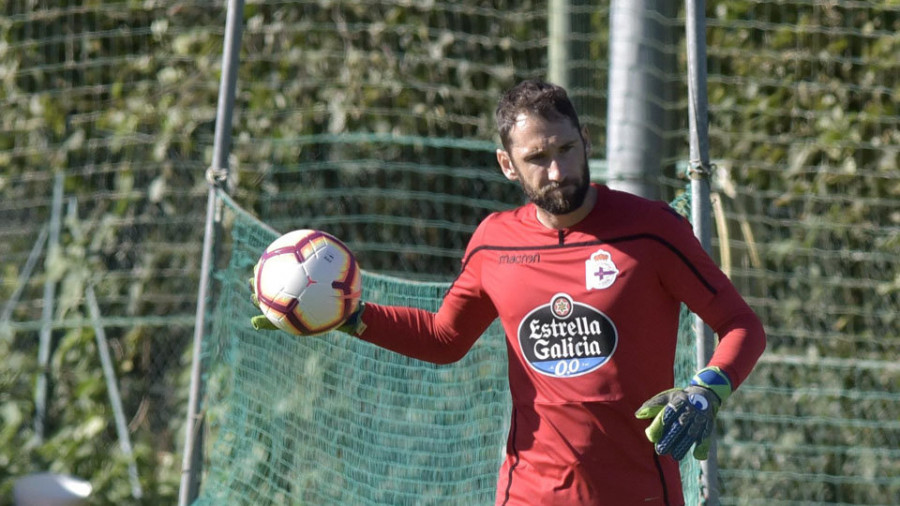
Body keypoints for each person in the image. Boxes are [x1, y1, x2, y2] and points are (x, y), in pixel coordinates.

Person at [255, 79, 766, 505]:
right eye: (537, 157)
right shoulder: (494, 242)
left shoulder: (652, 230)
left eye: (567, 149)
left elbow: (742, 325)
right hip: (528, 493)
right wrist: (349, 316)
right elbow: (443, 338)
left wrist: (706, 390)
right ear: (507, 164)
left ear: (586, 139)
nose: (558, 171)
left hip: (640, 492)